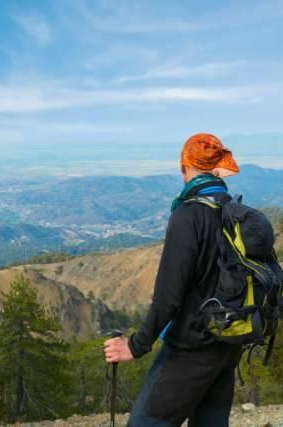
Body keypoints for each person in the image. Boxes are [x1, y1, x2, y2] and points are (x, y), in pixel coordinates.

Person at [104, 133, 242, 427]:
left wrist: (136, 345)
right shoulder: (235, 211)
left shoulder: (188, 215)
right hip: (228, 343)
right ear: (218, 167)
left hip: (191, 347)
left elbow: (168, 297)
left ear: (183, 167)